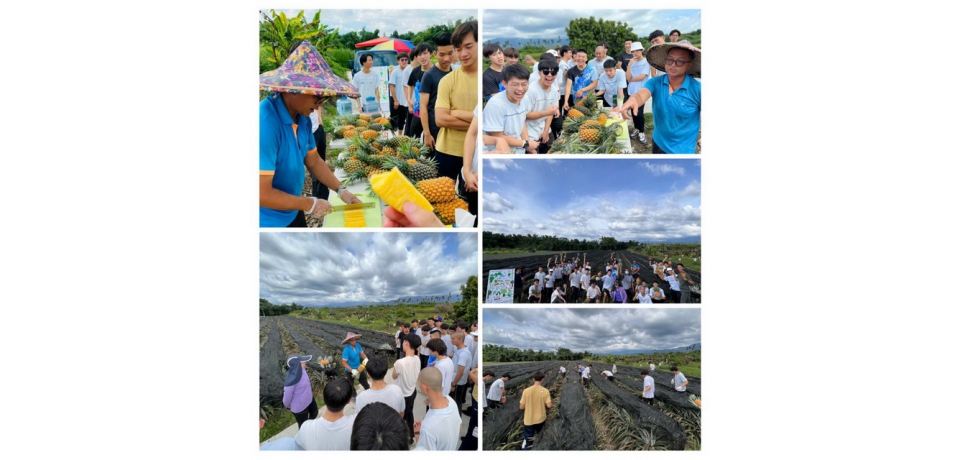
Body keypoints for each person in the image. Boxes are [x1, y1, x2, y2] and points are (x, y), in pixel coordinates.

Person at [259, 41, 362, 228]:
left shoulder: (303, 117)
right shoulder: (264, 124)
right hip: (267, 222)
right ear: (295, 89)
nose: (320, 104)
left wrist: (341, 190)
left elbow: (314, 161)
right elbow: (261, 193)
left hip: (291, 208)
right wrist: (310, 204)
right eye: (318, 96)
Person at [615, 42, 701, 153]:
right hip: (658, 143)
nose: (673, 64)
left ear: (689, 65)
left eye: (680, 61)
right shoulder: (655, 82)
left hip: (683, 151)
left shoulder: (698, 90)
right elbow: (641, 94)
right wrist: (633, 100)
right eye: (670, 59)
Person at [434, 20, 479, 180]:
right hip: (447, 151)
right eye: (458, 49)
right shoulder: (447, 81)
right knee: (443, 201)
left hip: (478, 153)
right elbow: (441, 119)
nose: (463, 54)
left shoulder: (488, 80)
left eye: (468, 46)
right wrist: (477, 124)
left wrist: (456, 113)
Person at [484, 63, 536, 154]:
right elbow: (496, 135)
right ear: (504, 84)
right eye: (515, 85)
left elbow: (521, 121)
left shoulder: (525, 99)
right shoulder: (496, 105)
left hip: (518, 150)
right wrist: (524, 143)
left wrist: (528, 144)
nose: (520, 89)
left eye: (524, 84)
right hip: (499, 153)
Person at [294, 378, 355, 450]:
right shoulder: (357, 424)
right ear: (349, 401)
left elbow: (297, 445)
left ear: (324, 398)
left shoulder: (306, 427)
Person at [420, 34, 454, 154]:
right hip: (435, 130)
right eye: (442, 54)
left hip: (452, 129)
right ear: (435, 54)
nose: (446, 59)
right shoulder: (429, 75)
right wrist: (427, 134)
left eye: (450, 53)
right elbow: (423, 106)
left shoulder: (456, 73)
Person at [413, 367, 462, 450]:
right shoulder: (451, 402)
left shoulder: (427, 429)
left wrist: (418, 433)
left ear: (425, 388)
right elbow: (459, 426)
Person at [521, 57, 560, 153]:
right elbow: (524, 115)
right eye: (546, 72)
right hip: (530, 134)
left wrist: (546, 131)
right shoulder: (531, 91)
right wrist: (546, 112)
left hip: (545, 130)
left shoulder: (554, 90)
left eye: (553, 72)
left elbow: (551, 112)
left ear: (557, 74)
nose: (550, 75)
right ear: (539, 73)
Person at [393, 333, 422, 443]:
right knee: (409, 412)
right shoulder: (417, 359)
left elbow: (394, 376)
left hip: (403, 394)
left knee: (400, 417)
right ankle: (411, 437)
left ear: (406, 343)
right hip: (412, 392)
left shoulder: (400, 362)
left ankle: (401, 437)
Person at [404, 43, 433, 139]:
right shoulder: (415, 71)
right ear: (416, 57)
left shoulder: (436, 71)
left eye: (425, 53)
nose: (422, 57)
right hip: (418, 111)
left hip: (432, 112)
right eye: (419, 55)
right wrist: (409, 100)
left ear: (431, 54)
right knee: (413, 136)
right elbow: (410, 85)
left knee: (429, 139)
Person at [519, 371, 552, 450]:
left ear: (533, 379)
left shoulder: (526, 391)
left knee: (528, 441)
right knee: (541, 437)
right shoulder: (545, 391)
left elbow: (521, 407)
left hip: (529, 420)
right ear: (543, 379)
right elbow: (549, 405)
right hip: (541, 419)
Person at [625, 42, 651, 142]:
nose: (635, 53)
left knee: (639, 112)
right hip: (631, 91)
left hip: (641, 91)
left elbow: (643, 76)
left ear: (641, 50)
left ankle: (641, 132)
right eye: (633, 51)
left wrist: (631, 79)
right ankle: (637, 128)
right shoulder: (632, 63)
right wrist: (629, 65)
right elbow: (627, 77)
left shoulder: (646, 61)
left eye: (637, 50)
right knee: (633, 112)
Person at [283, 354, 317, 428]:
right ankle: (304, 436)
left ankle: (309, 427)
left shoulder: (302, 370)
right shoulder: (291, 382)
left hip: (309, 399)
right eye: (303, 362)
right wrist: (288, 406)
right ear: (296, 365)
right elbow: (286, 399)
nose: (305, 363)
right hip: (300, 407)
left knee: (314, 413)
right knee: (303, 426)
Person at [426, 338, 455, 407]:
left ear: (435, 350)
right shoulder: (448, 360)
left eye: (430, 349)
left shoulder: (440, 366)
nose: (429, 351)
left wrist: (430, 399)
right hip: (445, 394)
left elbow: (440, 386)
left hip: (438, 398)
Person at [341, 332, 370, 398]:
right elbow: (344, 363)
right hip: (350, 370)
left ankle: (368, 391)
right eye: (352, 340)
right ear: (349, 341)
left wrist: (366, 359)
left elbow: (362, 354)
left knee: (364, 380)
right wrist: (352, 370)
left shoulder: (358, 345)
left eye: (355, 339)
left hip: (359, 367)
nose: (354, 341)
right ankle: (354, 396)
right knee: (351, 384)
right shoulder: (346, 350)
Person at [389, 51, 410, 135]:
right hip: (397, 99)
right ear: (398, 61)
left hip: (406, 100)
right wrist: (395, 100)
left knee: (404, 118)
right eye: (402, 60)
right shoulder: (395, 72)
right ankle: (393, 135)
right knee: (394, 118)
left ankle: (401, 136)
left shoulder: (410, 71)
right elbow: (392, 86)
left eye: (406, 60)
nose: (404, 62)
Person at [451, 331, 473, 411]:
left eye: (453, 338)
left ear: (460, 340)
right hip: (455, 380)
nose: (451, 340)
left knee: (456, 403)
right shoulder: (458, 349)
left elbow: (460, 372)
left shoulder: (464, 354)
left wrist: (453, 384)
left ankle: (457, 422)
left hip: (457, 383)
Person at [459, 367, 480, 450]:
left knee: (475, 426)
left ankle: (470, 446)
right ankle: (468, 438)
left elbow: (478, 381)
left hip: (478, 401)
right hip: (475, 398)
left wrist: (470, 373)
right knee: (472, 423)